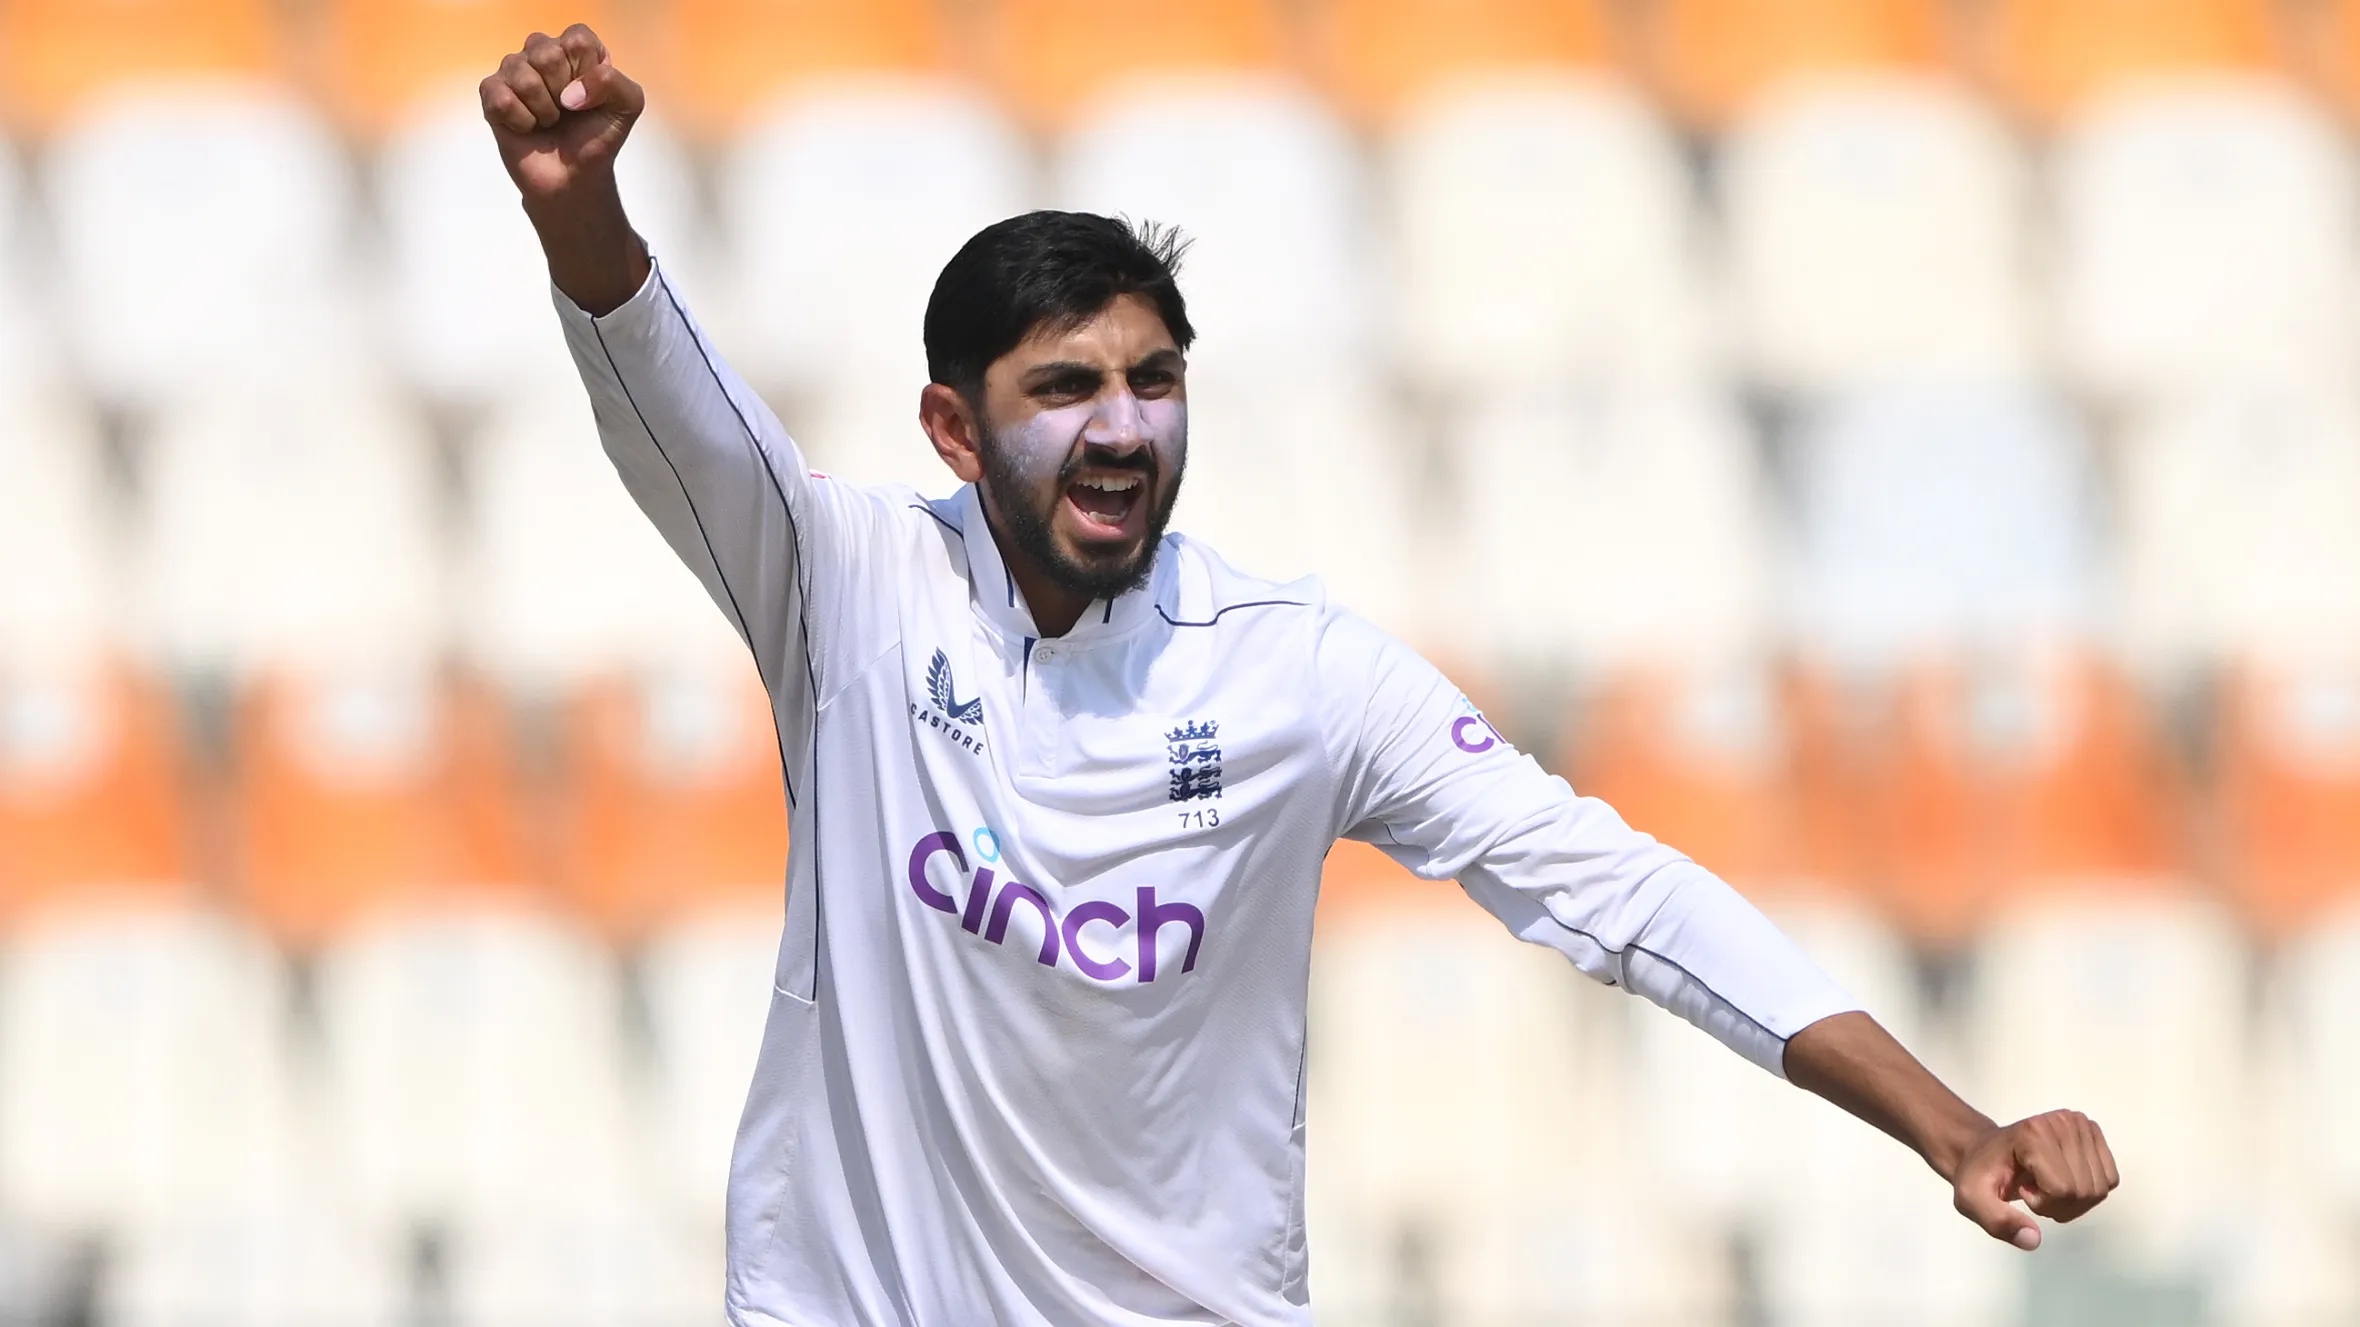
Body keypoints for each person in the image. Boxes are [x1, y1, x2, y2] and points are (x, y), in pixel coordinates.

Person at [482, 25, 2119, 1325]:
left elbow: (1620, 892)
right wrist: (575, 201)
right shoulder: (845, 585)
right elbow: (669, 402)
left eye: (1154, 380)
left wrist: (1949, 1127)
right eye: (1067, 387)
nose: (1123, 428)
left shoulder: (1301, 674)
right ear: (955, 430)